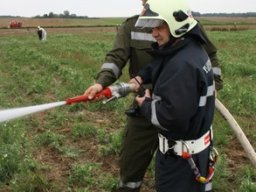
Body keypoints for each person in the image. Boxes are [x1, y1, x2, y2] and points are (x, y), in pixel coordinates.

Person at [83, 0, 222, 191]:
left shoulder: (183, 22)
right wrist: (102, 82)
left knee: (180, 164)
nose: (154, 32)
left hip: (179, 108)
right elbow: (117, 57)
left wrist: (209, 88)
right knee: (131, 162)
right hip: (144, 107)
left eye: (158, 27)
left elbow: (208, 55)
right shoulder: (131, 25)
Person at [130, 0, 216, 191]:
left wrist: (145, 103)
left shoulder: (182, 67)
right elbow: (161, 62)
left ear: (176, 24)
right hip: (195, 153)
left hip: (180, 163)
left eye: (159, 26)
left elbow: (170, 117)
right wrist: (141, 76)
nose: (153, 33)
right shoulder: (190, 50)